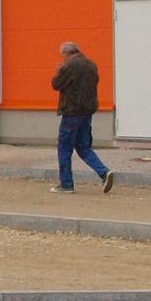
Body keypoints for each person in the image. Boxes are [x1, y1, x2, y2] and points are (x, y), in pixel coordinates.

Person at [50, 42, 114, 194]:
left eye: (63, 56)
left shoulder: (69, 66)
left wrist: (59, 71)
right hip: (87, 112)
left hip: (72, 112)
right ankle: (104, 173)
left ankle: (66, 184)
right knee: (84, 147)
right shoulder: (91, 64)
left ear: (67, 53)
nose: (63, 59)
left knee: (64, 147)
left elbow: (56, 84)